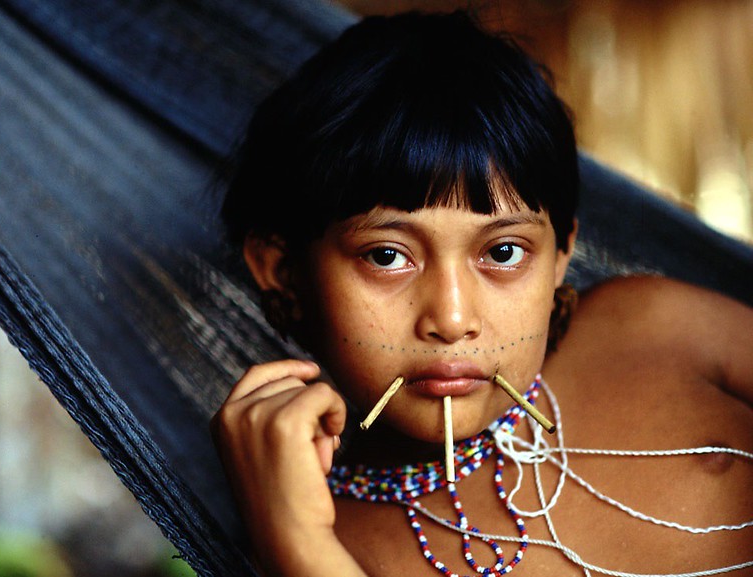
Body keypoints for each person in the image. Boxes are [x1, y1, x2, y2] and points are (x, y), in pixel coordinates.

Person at [211, 11, 753, 577]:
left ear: (561, 252)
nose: (451, 318)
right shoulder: (328, 543)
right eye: (388, 256)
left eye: (502, 253)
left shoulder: (657, 329)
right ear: (282, 270)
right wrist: (295, 536)